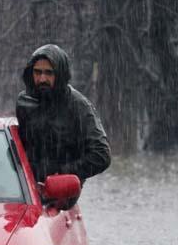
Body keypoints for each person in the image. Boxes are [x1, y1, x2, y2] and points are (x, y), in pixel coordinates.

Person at [16, 44, 111, 188]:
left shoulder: (78, 106)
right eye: (37, 72)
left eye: (49, 73)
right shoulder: (24, 102)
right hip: (24, 189)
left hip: (61, 194)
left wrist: (63, 173)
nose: (42, 79)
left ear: (59, 74)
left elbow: (101, 155)